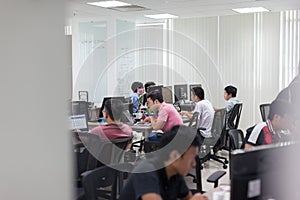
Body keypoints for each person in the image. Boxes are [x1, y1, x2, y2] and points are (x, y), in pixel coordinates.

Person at [119, 125, 208, 200]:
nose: (194, 164)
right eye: (192, 158)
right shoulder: (146, 171)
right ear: (174, 156)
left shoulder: (174, 173)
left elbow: (187, 197)